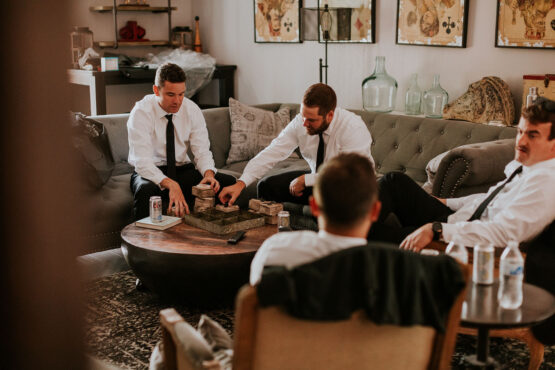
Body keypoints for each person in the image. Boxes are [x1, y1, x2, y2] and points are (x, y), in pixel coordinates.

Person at [369, 97, 555, 252]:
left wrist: (437, 230)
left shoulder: (545, 183)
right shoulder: (528, 166)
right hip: (456, 219)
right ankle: (348, 228)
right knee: (394, 181)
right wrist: (447, 202)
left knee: (374, 234)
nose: (520, 141)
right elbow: (490, 199)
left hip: (466, 241)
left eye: (532, 135)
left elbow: (503, 234)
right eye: (520, 132)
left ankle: (346, 240)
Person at [219, 83, 373, 207]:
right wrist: (241, 183)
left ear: (330, 115)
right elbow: (273, 151)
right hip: (318, 181)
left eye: (311, 120)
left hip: (348, 188)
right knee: (267, 186)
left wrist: (307, 180)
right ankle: (273, 239)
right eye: (303, 116)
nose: (304, 123)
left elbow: (352, 175)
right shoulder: (302, 122)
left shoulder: (352, 128)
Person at [250, 153, 381, 285]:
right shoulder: (389, 269)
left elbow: (256, 299)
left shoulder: (274, 249)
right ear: (375, 211)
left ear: (314, 206)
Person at [128, 62, 235, 220]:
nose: (177, 101)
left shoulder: (191, 109)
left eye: (181, 94)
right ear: (156, 90)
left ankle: (213, 236)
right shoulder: (141, 112)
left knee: (228, 183)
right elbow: (142, 163)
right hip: (150, 173)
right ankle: (141, 241)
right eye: (171, 95)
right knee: (145, 191)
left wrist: (209, 174)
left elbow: (202, 151)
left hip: (182, 170)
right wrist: (171, 184)